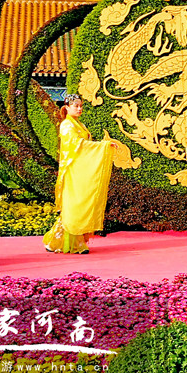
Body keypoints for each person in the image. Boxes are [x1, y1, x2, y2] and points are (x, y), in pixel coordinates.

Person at [43, 94, 116, 254]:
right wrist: (103, 146)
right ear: (67, 107)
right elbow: (78, 145)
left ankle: (56, 241)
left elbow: (85, 144)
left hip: (80, 169)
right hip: (72, 170)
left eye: (81, 106)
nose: (79, 108)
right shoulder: (67, 125)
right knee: (74, 204)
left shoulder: (78, 124)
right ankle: (75, 243)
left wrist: (102, 145)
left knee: (79, 203)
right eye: (76, 106)